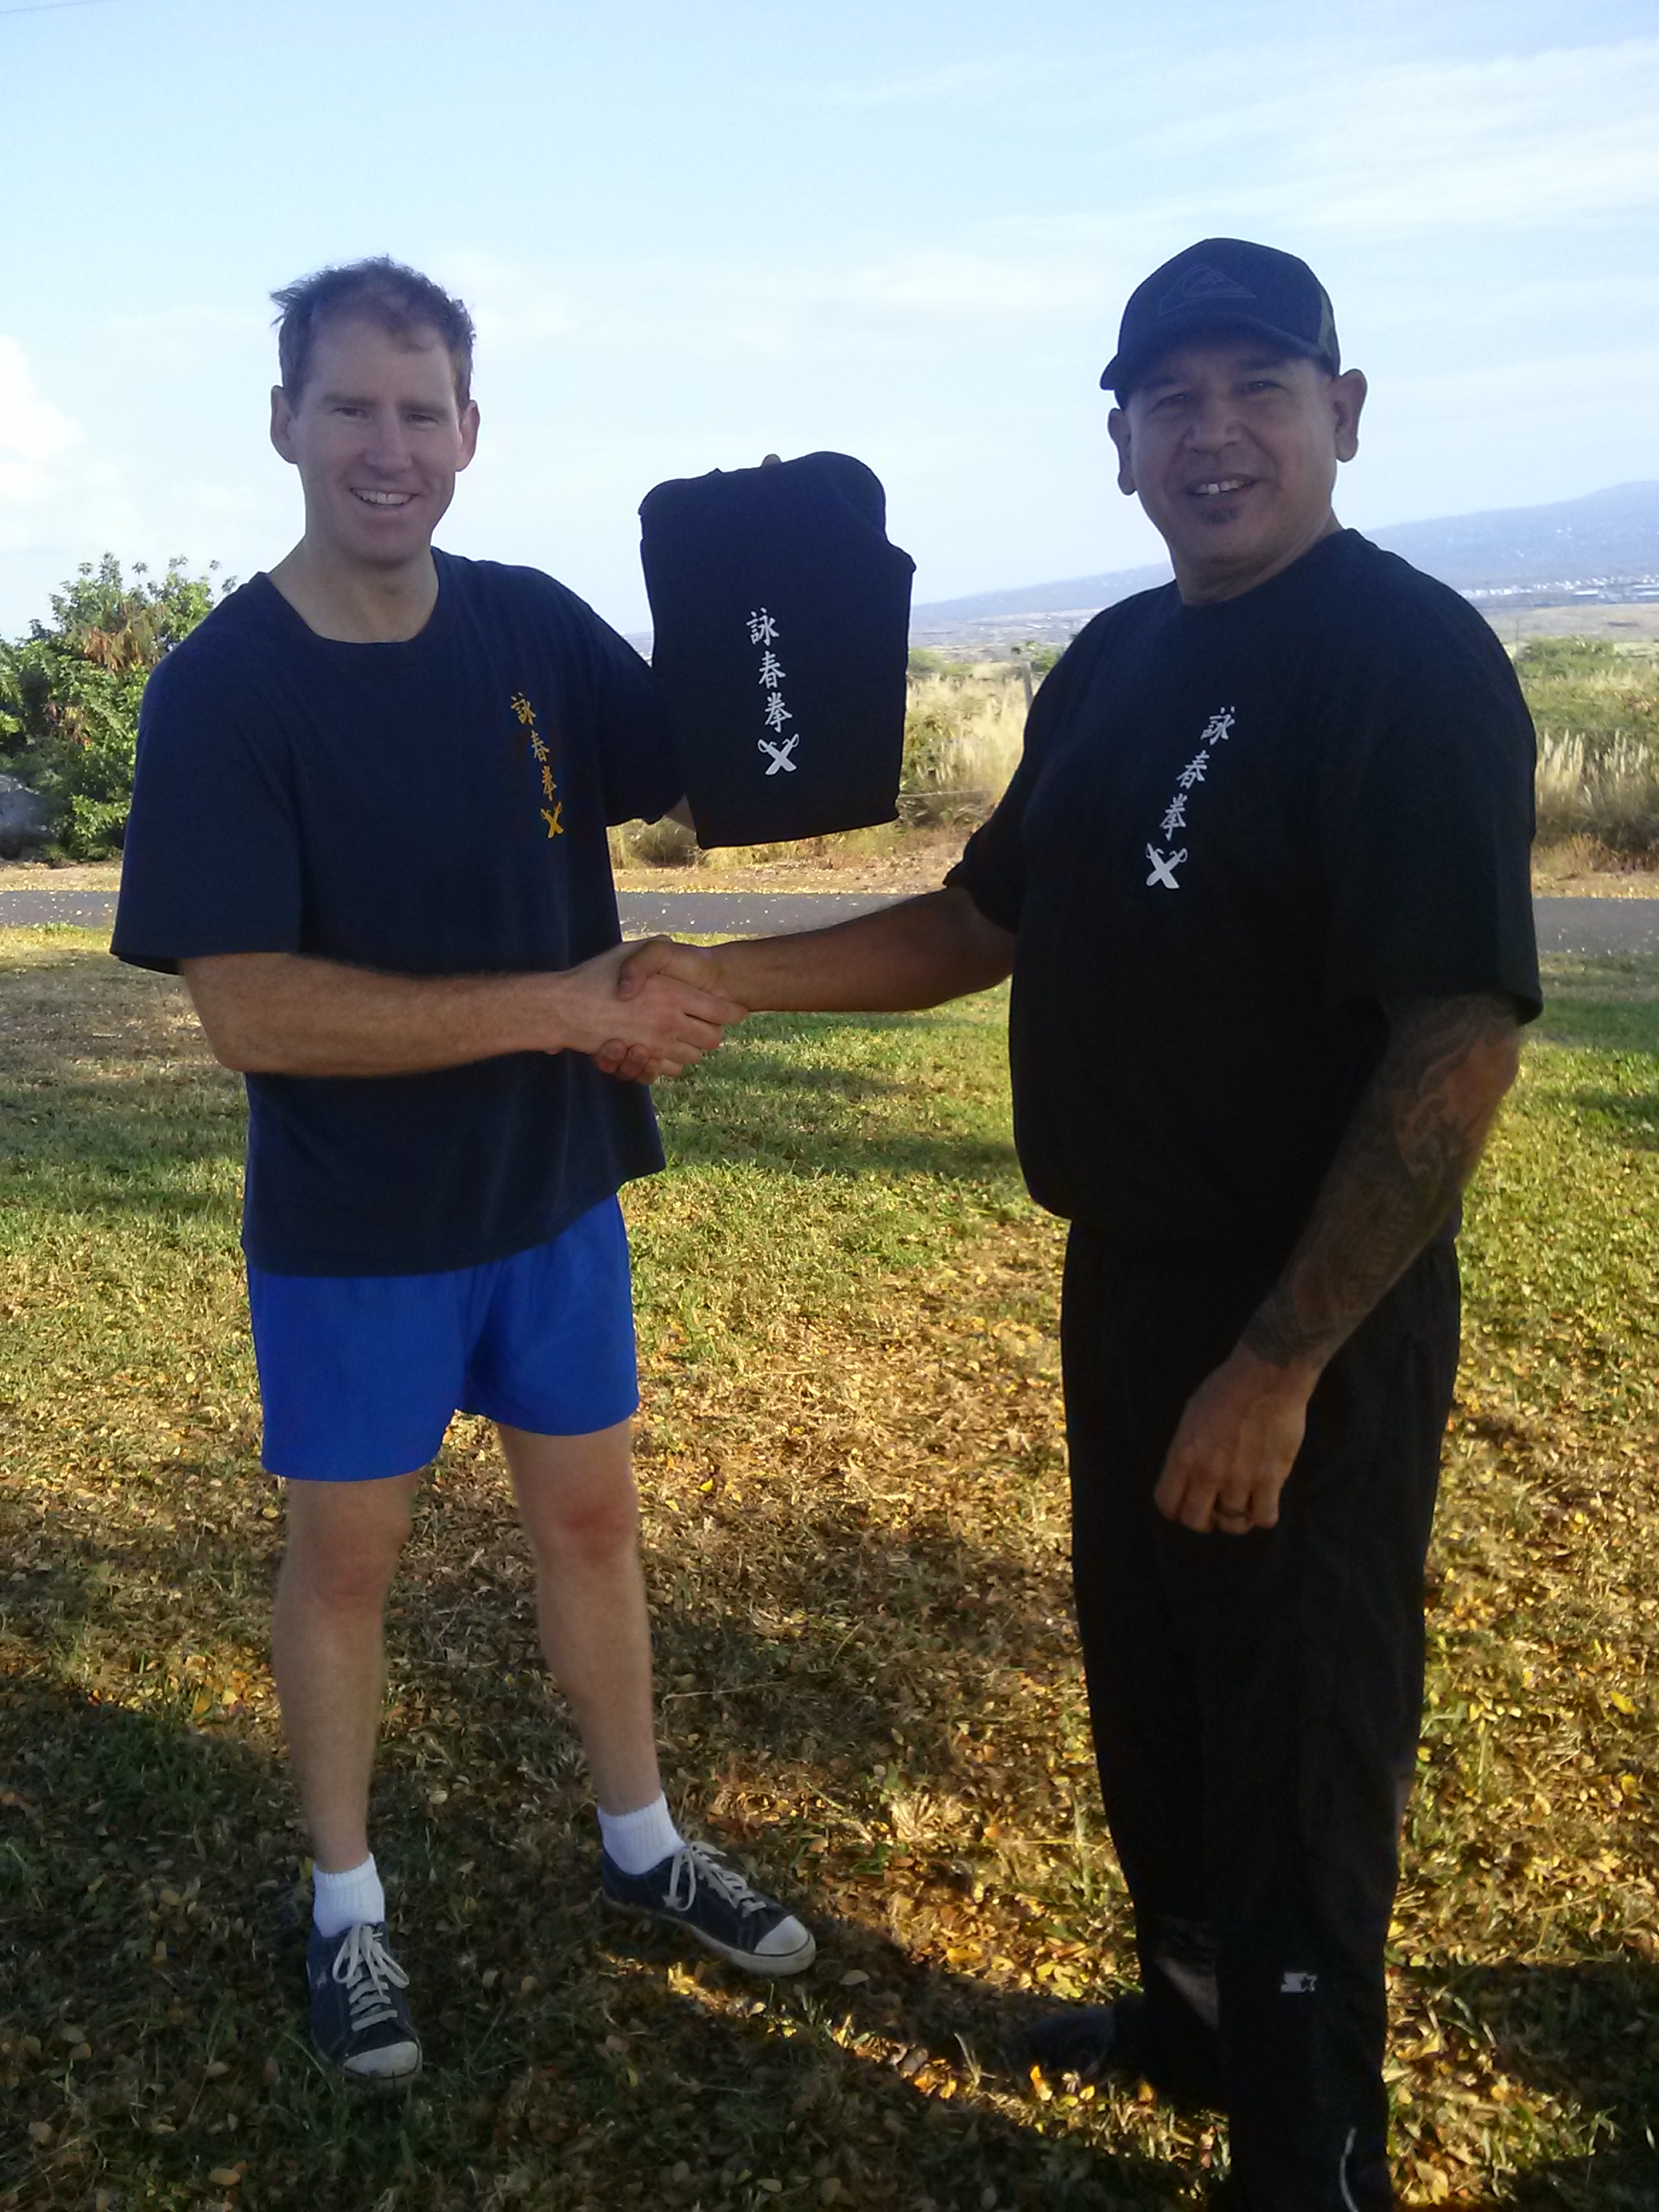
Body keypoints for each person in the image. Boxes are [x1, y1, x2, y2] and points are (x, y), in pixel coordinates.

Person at [619, 238, 1540, 2207]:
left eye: (1258, 388)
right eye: (1169, 398)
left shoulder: (1405, 661)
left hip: (1304, 1311)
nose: (1214, 432)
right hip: (1123, 1283)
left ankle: (1311, 2151)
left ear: (1342, 413)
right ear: (1118, 442)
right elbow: (983, 919)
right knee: (1157, 1689)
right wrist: (719, 977)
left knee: (1298, 1732)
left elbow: (1459, 1035)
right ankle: (1191, 2033)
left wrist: (1280, 1364)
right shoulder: (1118, 659)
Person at [111, 257, 815, 2088]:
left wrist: (769, 586)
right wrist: (561, 1005)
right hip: (359, 1230)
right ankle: (345, 1903)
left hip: (555, 1192)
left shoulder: (528, 626)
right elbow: (251, 1010)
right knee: (348, 1562)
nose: (388, 445)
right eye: (351, 405)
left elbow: (720, 773)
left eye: (421, 411)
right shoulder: (222, 689)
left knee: (592, 1521)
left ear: (472, 432)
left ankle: (644, 1841)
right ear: (285, 422)